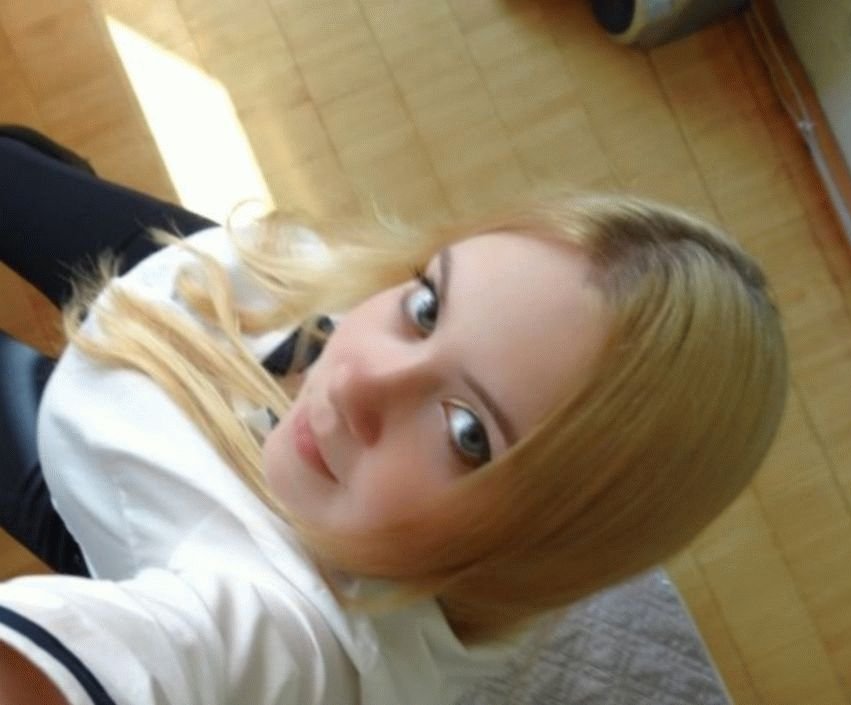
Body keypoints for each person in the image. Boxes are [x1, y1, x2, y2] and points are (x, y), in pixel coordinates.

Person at [0, 126, 788, 705]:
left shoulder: (289, 637)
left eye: (467, 433)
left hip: (92, 440)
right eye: (427, 305)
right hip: (213, 298)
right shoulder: (341, 323)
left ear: (535, 551)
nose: (358, 378)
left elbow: (124, 664)